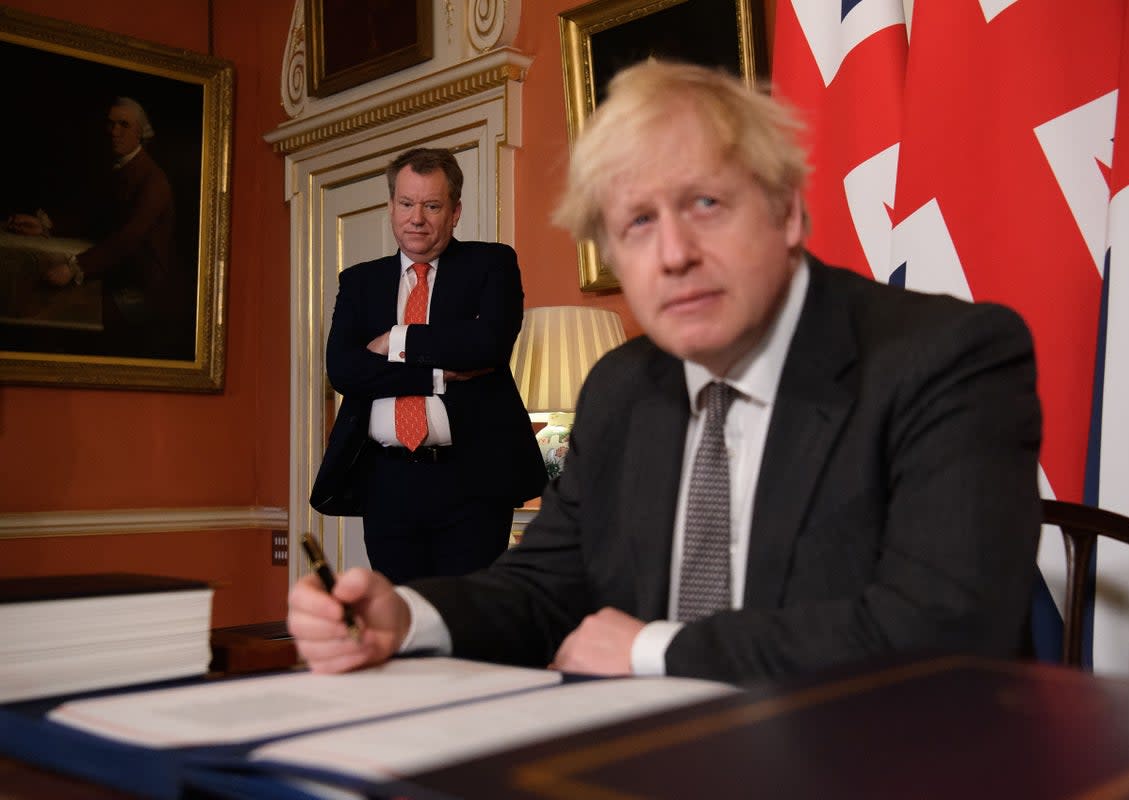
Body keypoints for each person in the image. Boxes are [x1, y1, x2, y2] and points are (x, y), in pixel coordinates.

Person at [289, 62, 1042, 684]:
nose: (673, 253)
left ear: (785, 212)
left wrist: (656, 650)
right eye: (637, 223)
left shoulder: (947, 357)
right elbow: (544, 586)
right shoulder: (623, 385)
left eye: (706, 203)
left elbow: (947, 630)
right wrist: (409, 617)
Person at [309, 147, 547, 584]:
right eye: (406, 203)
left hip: (470, 482)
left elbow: (485, 347)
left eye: (431, 205)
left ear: (454, 212)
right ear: (391, 206)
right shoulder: (360, 282)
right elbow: (344, 369)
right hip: (386, 482)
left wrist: (393, 340)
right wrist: (435, 373)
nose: (416, 218)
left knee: (466, 621)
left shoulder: (491, 264)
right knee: (404, 620)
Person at [4, 97, 182, 357]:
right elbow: (92, 216)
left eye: (124, 125)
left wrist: (76, 268)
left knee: (53, 316)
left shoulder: (153, 181)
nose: (114, 132)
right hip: (115, 274)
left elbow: (128, 238)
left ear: (141, 133)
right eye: (111, 124)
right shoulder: (120, 168)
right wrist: (44, 226)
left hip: (141, 291)